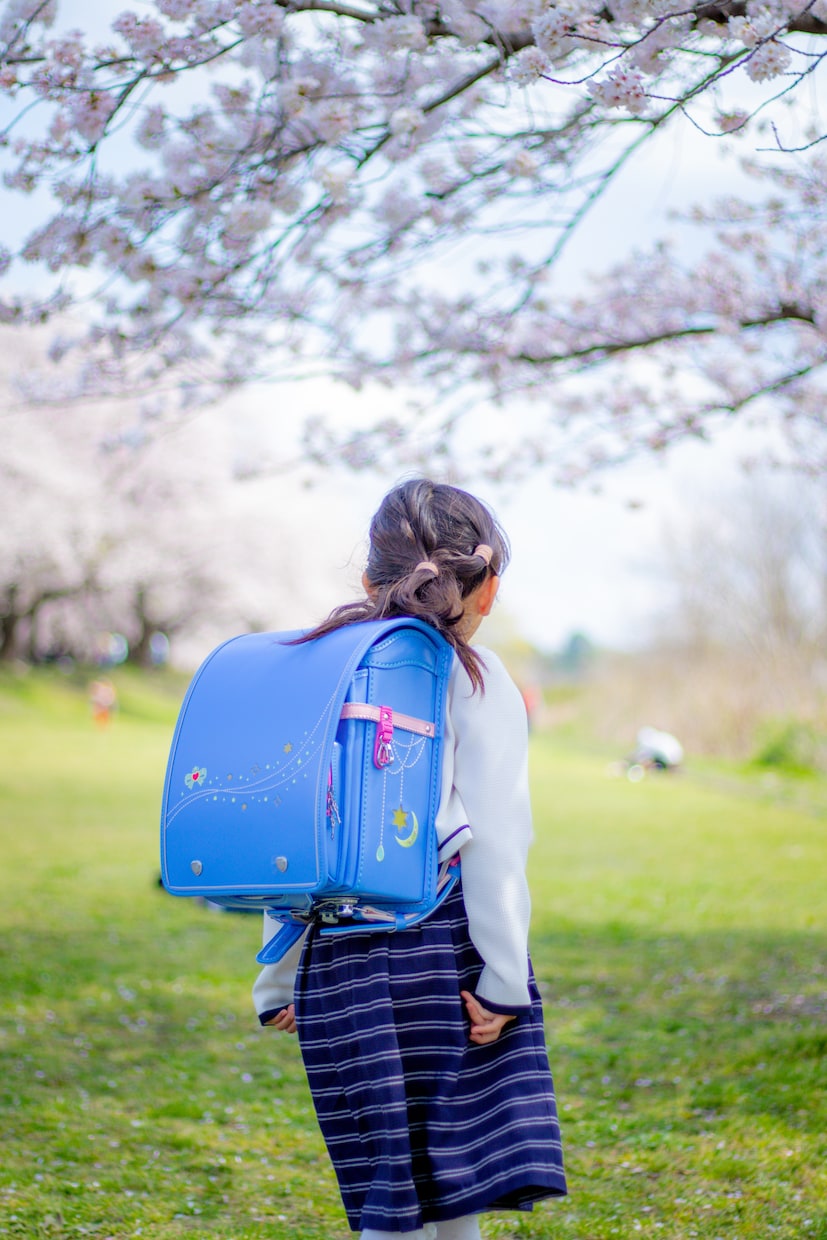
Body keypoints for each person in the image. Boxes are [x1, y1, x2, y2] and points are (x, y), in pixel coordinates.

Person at [253, 478, 567, 1240]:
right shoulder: (474, 680)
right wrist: (500, 978)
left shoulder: (317, 665)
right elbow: (493, 839)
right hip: (442, 956)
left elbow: (292, 831)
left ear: (368, 578)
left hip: (337, 962)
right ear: (486, 587)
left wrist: (276, 975)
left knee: (387, 1192)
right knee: (453, 1184)